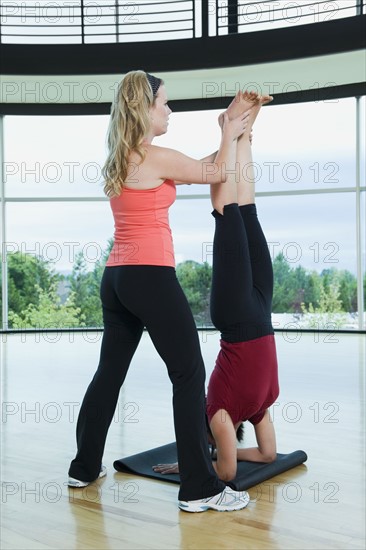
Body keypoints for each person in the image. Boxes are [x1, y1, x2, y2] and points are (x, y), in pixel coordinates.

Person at [67, 70, 251, 512]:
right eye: (164, 102)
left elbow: (205, 165)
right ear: (144, 108)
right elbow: (216, 171)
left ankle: (83, 466)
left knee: (108, 374)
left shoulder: (122, 155)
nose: (170, 110)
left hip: (117, 279)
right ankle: (199, 488)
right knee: (188, 373)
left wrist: (234, 132)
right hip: (149, 275)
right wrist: (228, 131)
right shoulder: (153, 155)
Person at [153, 90, 279, 482]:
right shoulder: (219, 417)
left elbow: (267, 453)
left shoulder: (259, 407)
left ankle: (239, 133)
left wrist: (224, 450)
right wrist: (200, 460)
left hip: (260, 313)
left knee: (245, 213)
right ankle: (235, 132)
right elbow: (226, 471)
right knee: (232, 215)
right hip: (241, 315)